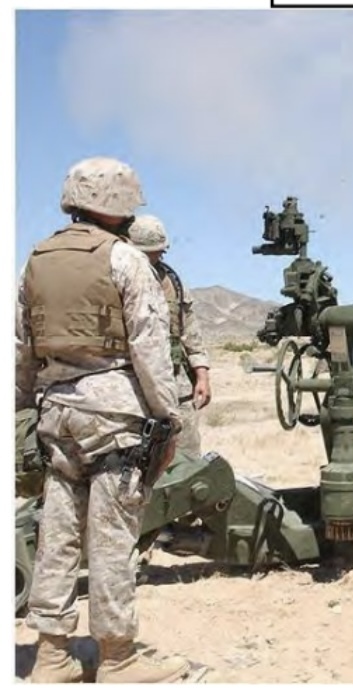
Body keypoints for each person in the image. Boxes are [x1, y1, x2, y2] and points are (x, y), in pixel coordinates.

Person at [16, 156, 190, 683]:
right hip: (114, 418)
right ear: (118, 204)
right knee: (112, 539)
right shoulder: (126, 259)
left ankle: (51, 655)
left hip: (56, 415)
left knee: (58, 536)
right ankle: (118, 656)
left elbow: (21, 347)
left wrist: (23, 407)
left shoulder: (37, 259)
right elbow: (150, 348)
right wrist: (169, 418)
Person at [128, 214, 212, 458]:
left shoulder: (172, 282)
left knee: (187, 458)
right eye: (146, 254)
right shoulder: (117, 280)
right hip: (133, 387)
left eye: (158, 253)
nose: (153, 259)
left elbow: (190, 332)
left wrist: (202, 375)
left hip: (176, 385)